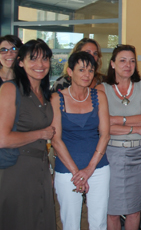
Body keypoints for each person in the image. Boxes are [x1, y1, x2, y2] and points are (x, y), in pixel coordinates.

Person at [0, 39, 56, 230]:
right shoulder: (10, 89)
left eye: (45, 59)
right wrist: (40, 134)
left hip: (39, 169)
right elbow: (1, 139)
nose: (40, 65)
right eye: (33, 59)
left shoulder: (43, 93)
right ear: (21, 62)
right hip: (15, 170)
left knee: (40, 221)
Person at [51, 51, 111, 230]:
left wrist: (89, 169)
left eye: (91, 71)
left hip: (98, 167)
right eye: (82, 70)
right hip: (67, 169)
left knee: (99, 221)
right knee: (70, 222)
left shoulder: (99, 96)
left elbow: (105, 135)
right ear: (70, 72)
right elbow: (56, 140)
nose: (87, 75)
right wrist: (77, 172)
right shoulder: (56, 98)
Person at [96, 45, 141, 230]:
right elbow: (103, 127)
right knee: (112, 210)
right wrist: (134, 128)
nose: (128, 65)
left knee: (135, 210)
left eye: (132, 61)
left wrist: (115, 120)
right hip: (112, 154)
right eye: (122, 60)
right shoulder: (101, 89)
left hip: (139, 154)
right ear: (112, 64)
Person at [0, 35, 23, 185]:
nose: (9, 54)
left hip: (19, 152)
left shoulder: (26, 83)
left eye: (14, 49)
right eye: (3, 50)